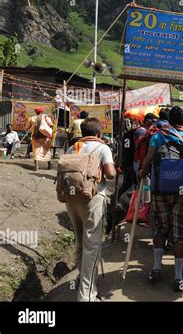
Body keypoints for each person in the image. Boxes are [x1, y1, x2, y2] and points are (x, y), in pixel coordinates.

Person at [139, 106, 183, 292]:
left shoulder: (158, 136)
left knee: (161, 227)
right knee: (179, 230)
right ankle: (178, 277)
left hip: (159, 190)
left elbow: (148, 159)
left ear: (168, 119)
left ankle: (157, 268)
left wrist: (142, 173)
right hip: (181, 192)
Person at [64, 118, 116, 301]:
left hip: (71, 201)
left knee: (80, 243)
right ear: (98, 133)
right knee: (92, 247)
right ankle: (86, 296)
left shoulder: (73, 148)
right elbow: (110, 174)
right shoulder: (102, 148)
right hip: (93, 200)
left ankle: (81, 278)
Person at [26, 107, 53, 171]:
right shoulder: (45, 117)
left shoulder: (31, 118)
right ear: (42, 111)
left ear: (36, 112)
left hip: (35, 137)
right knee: (46, 150)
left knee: (36, 151)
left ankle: (36, 166)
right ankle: (49, 165)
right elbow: (51, 124)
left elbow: (27, 128)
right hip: (45, 136)